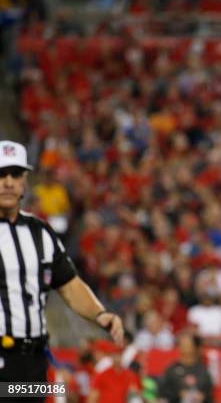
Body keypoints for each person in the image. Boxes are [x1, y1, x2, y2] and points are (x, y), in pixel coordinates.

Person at [0, 141, 124, 396]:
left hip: (33, 361)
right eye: (1, 175)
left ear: (25, 181)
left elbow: (69, 285)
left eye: (15, 174)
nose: (8, 182)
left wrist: (100, 314)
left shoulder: (41, 232)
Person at [157, 331, 215, 403]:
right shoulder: (171, 370)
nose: (183, 346)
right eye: (181, 344)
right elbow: (162, 394)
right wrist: (179, 394)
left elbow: (209, 393)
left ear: (196, 347)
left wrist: (203, 396)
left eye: (187, 344)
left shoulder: (203, 371)